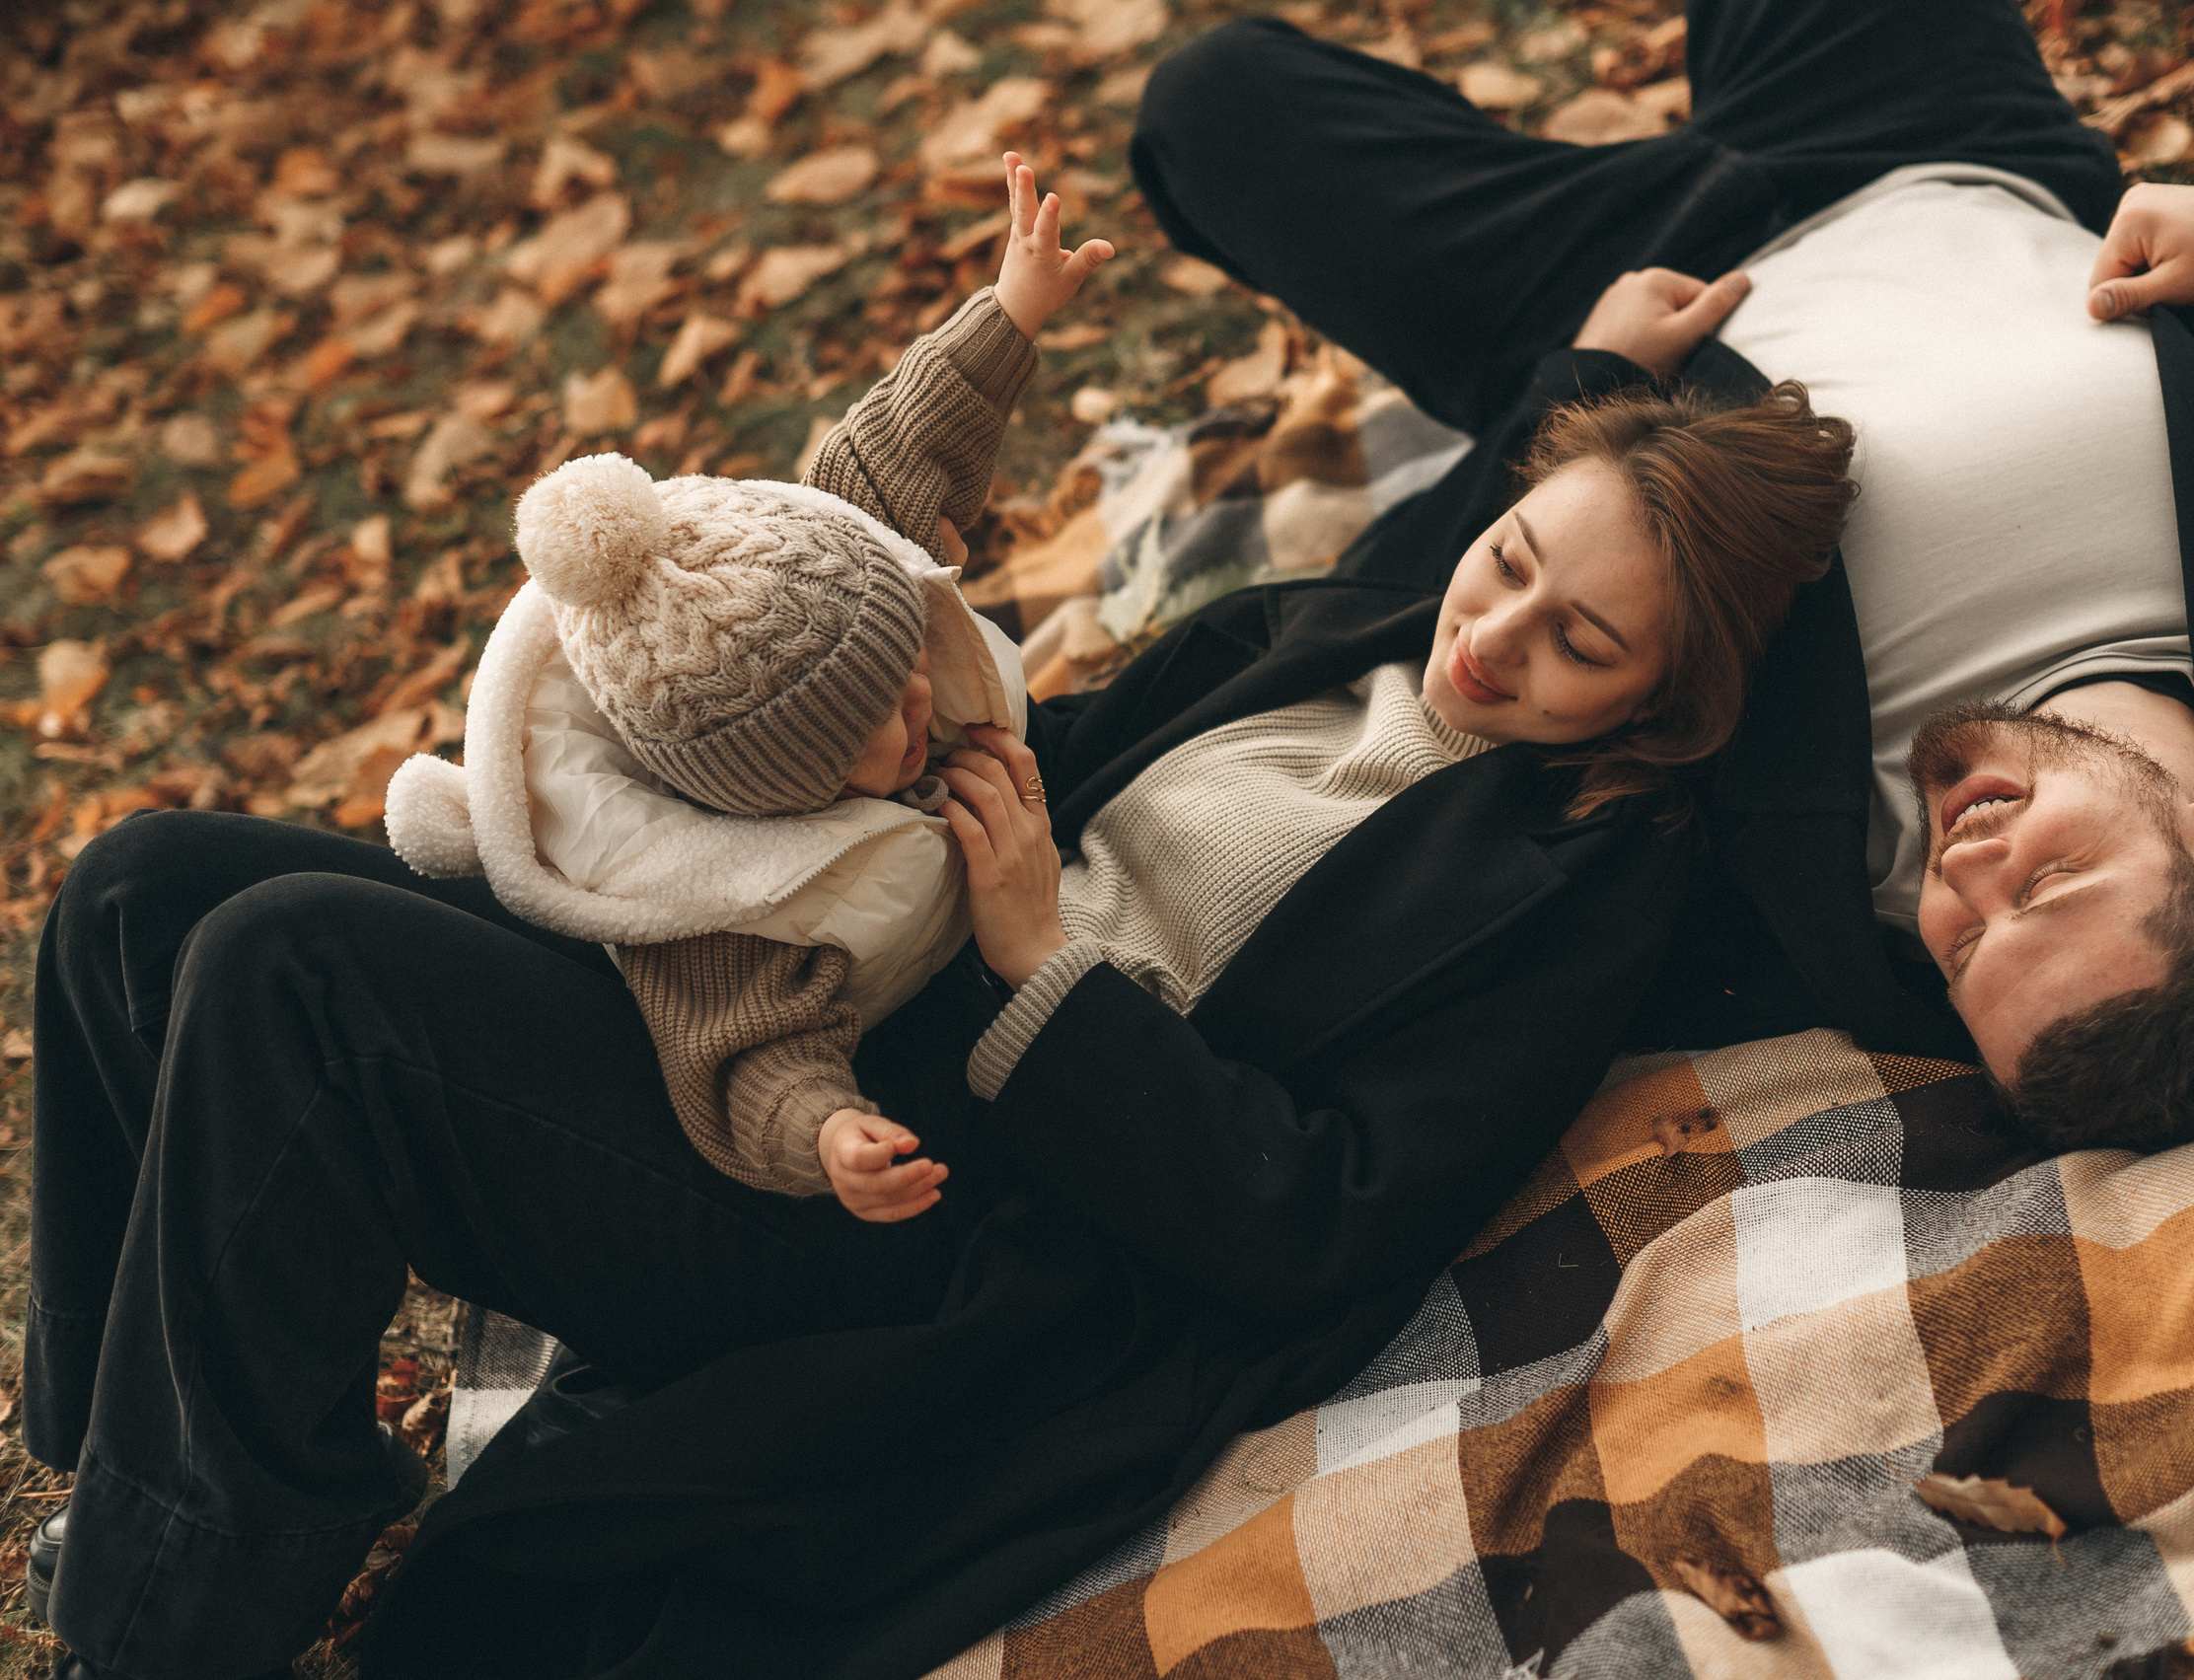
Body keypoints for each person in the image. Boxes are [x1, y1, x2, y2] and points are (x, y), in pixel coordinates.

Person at [23, 168, 1859, 1680]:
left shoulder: (1572, 892)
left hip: (900, 1204)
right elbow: (1442, 549)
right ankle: (137, 1451)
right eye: (1519, 558)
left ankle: (161, 1630)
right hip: (808, 976)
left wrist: (1038, 962)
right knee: (142, 890)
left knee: (294, 975)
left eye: (1581, 644)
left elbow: (1325, 1215)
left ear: (1659, 703)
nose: (1500, 634)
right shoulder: (1336, 631)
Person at [1130, 0, 2194, 1148]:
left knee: (1216, 106)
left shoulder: (1791, 898)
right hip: (1942, 146)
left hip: (1636, 297)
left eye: (1964, 952)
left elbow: (1444, 662)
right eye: (2044, 887)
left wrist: (1586, 380)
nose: (1965, 875)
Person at [372, 152, 1081, 1208]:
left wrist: (1011, 308)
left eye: (903, 669)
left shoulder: (834, 572)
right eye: (879, 722)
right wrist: (830, 1132)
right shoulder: (718, 908)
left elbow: (893, 445)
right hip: (900, 1041)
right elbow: (750, 1057)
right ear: (777, 786)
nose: (920, 700)